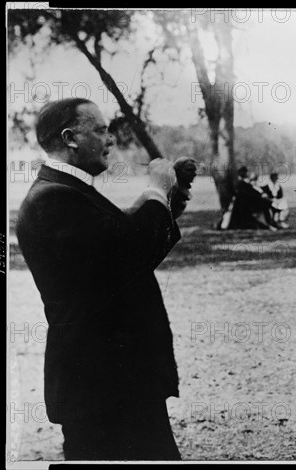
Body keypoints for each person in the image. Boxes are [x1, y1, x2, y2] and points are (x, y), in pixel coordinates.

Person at [15, 98, 188, 460]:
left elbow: (120, 244)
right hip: (102, 386)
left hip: (114, 382)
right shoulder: (54, 200)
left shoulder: (67, 192)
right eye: (100, 129)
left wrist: (164, 201)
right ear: (70, 137)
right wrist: (156, 190)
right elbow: (128, 253)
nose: (110, 139)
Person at [227, 166, 276, 230]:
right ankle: (267, 224)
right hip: (248, 207)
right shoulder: (243, 185)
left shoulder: (245, 184)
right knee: (265, 206)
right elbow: (252, 194)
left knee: (267, 205)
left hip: (250, 205)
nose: (254, 181)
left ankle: (269, 223)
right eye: (253, 180)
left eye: (255, 179)